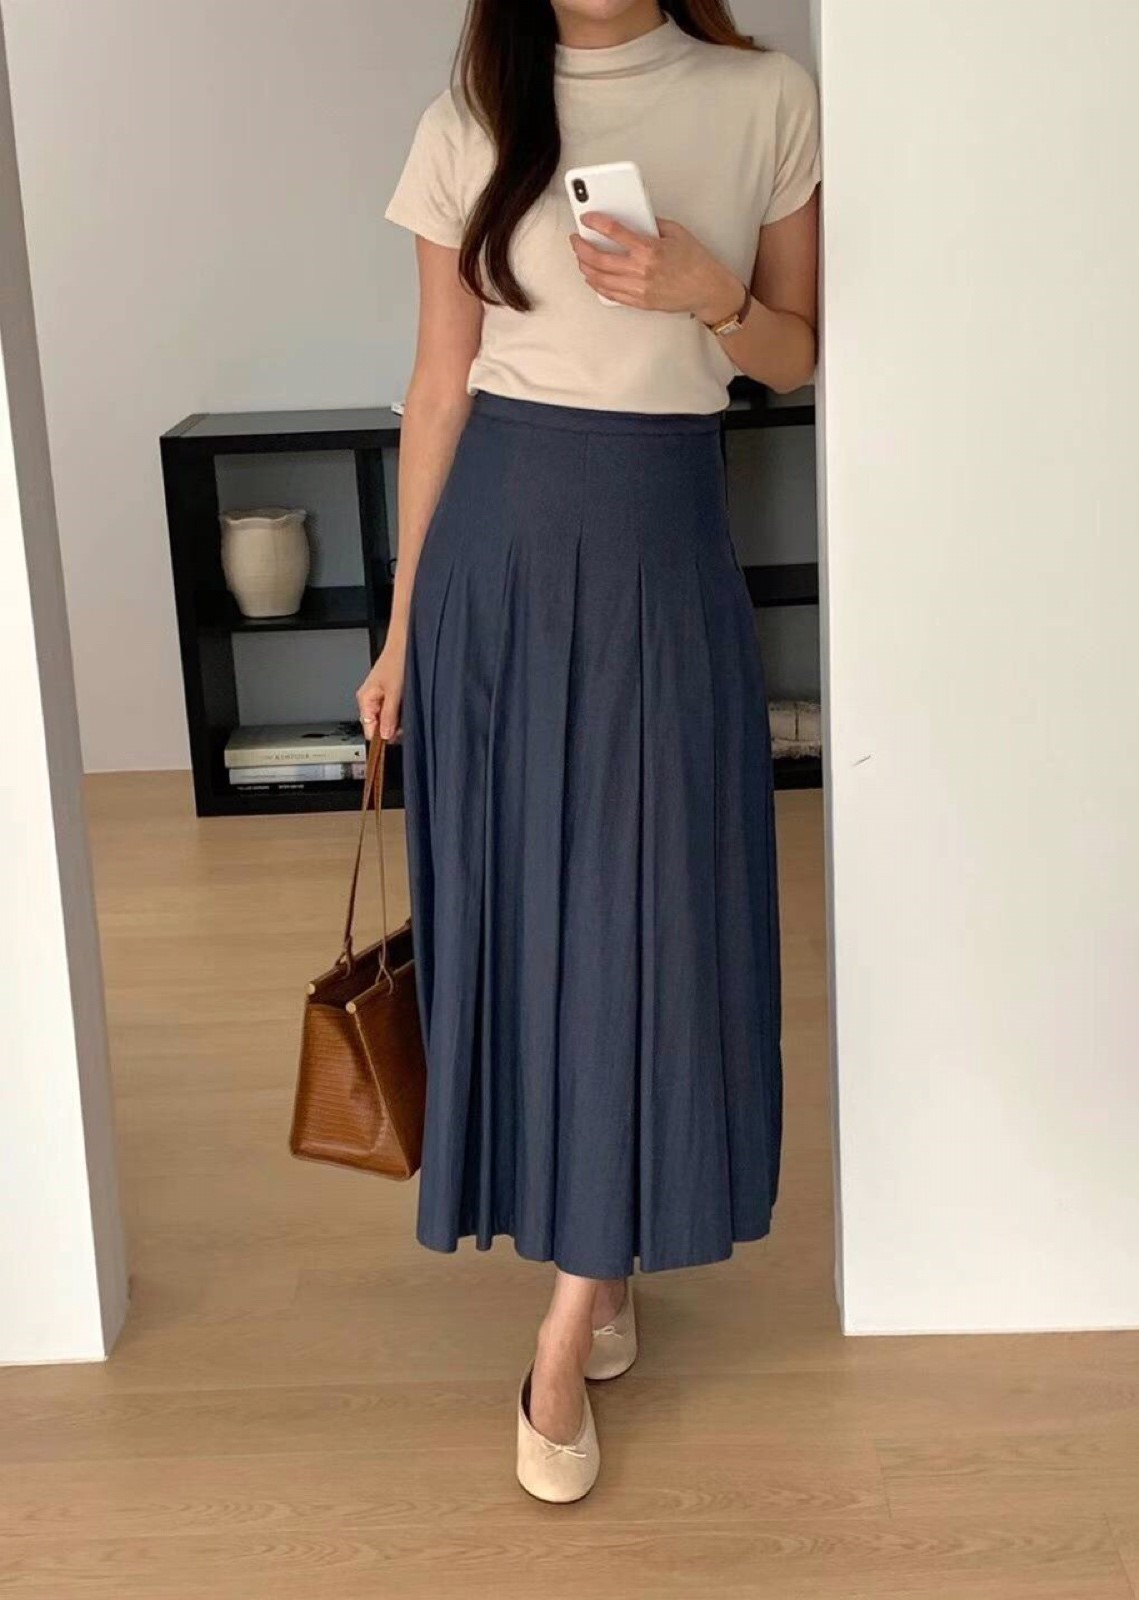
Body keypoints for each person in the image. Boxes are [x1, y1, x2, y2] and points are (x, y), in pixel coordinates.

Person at [357, 0, 820, 1503]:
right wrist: (401, 628)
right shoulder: (468, 124)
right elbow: (440, 385)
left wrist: (708, 291)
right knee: (535, 919)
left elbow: (798, 356)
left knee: (650, 912)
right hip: (496, 551)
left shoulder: (764, 98)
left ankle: (573, 1310)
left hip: (662, 548)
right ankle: (590, 1273)